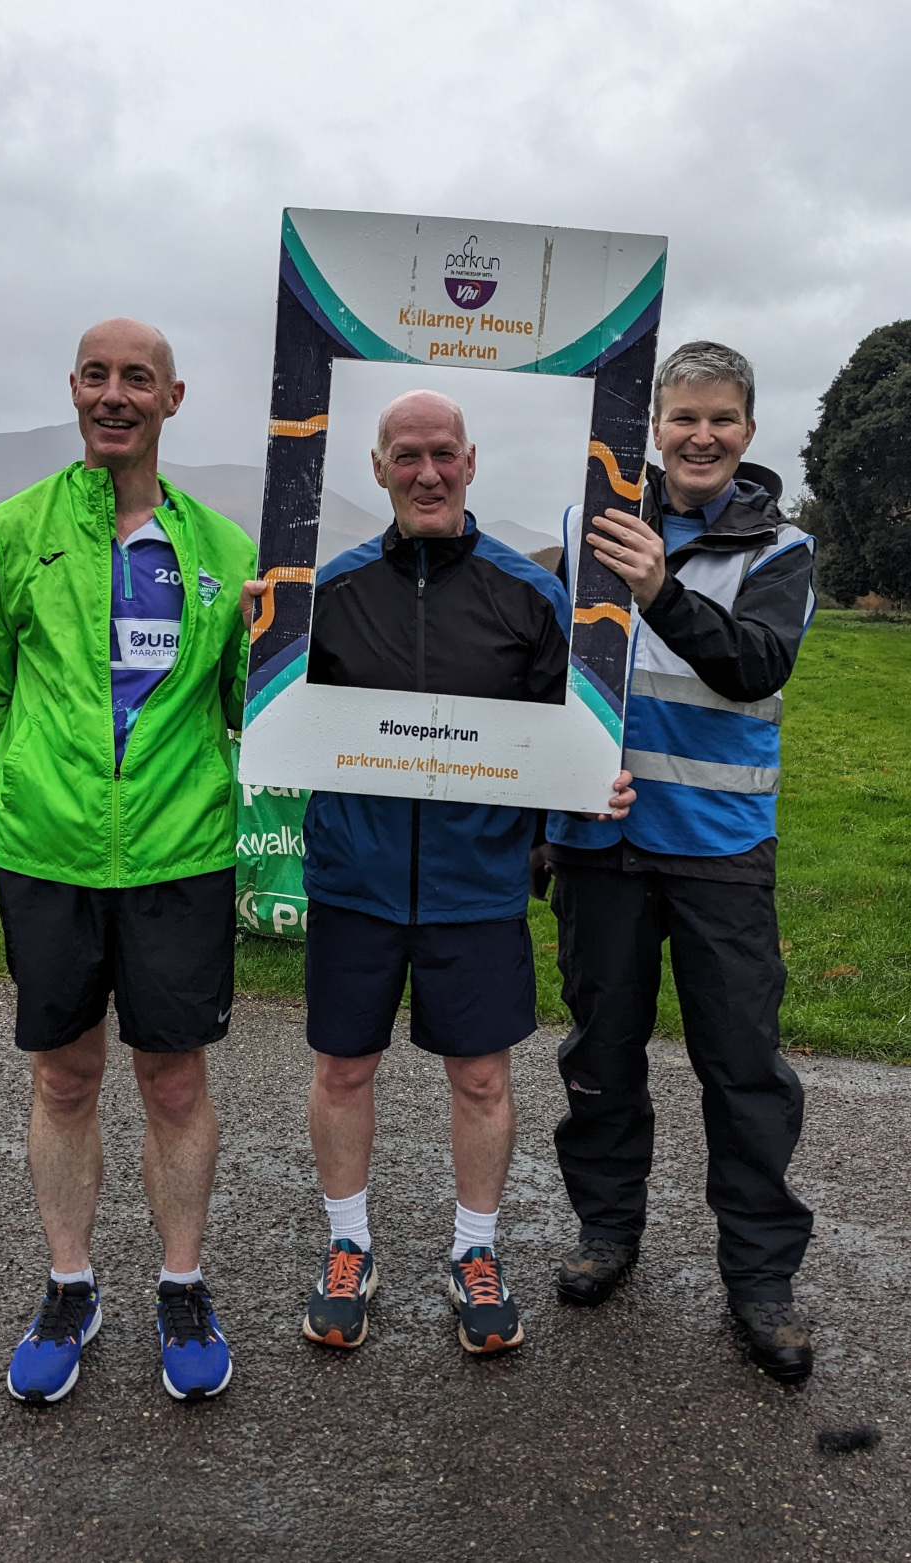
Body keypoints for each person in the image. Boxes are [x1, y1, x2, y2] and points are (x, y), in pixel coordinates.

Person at [245, 388, 633, 1355]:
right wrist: (246, 643)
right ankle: (349, 1248)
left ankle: (475, 1251)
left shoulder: (529, 594)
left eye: (444, 453)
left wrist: (591, 786)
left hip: (476, 884)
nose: (427, 472)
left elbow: (570, 736)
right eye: (406, 455)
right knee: (342, 1068)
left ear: (471, 460)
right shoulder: (324, 593)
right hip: (356, 880)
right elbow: (257, 723)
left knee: (484, 1078)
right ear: (376, 467)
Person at [0, 317, 256, 1405]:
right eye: (97, 375)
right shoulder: (14, 531)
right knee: (63, 1074)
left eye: (139, 379)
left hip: (180, 855)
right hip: (52, 854)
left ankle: (182, 1285)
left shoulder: (222, 549)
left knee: (173, 1079)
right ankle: (71, 1286)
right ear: (73, 389)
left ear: (174, 399)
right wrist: (47, 776)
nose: (114, 394)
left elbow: (238, 706)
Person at [546, 341, 816, 1383]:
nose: (700, 436)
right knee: (599, 1057)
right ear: (652, 425)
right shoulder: (586, 523)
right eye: (682, 417)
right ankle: (606, 1232)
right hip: (600, 843)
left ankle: (759, 1278)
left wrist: (658, 588)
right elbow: (533, 654)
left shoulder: (779, 548)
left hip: (718, 850)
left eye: (722, 419)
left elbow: (754, 666)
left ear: (749, 432)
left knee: (743, 1070)